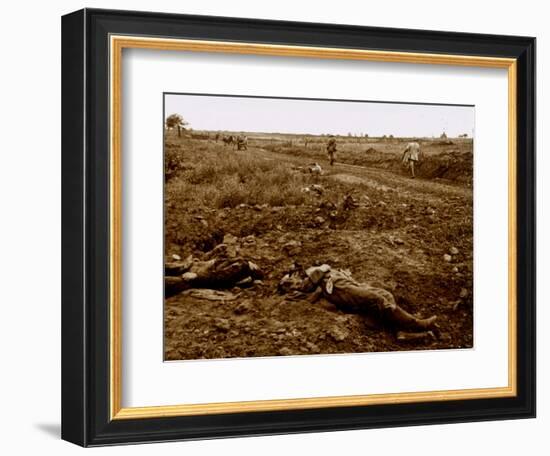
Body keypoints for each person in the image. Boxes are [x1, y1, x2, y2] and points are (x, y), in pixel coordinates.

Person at [279, 264, 438, 333]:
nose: (295, 279)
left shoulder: (322, 277)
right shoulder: (321, 283)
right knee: (379, 300)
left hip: (348, 287)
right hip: (350, 296)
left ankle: (399, 330)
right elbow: (357, 294)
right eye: (291, 281)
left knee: (386, 294)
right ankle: (417, 325)